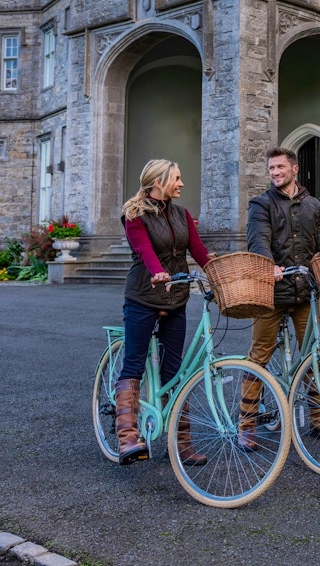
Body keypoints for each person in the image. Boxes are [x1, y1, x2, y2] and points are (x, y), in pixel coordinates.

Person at [116, 159, 212, 466]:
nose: (182, 183)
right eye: (177, 178)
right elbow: (144, 250)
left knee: (175, 370)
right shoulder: (135, 214)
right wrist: (158, 272)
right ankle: (127, 438)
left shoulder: (181, 214)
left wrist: (218, 270)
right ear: (158, 182)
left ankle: (181, 443)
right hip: (144, 296)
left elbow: (197, 250)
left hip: (176, 298)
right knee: (133, 364)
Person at [240, 146, 320, 448]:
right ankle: (246, 423)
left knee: (313, 357)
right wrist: (269, 266)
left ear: (294, 169)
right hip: (271, 294)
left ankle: (319, 419)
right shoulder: (261, 204)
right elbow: (258, 241)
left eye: (280, 167)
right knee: (258, 356)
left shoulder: (312, 205)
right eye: (271, 168)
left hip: (305, 293)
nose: (275, 172)